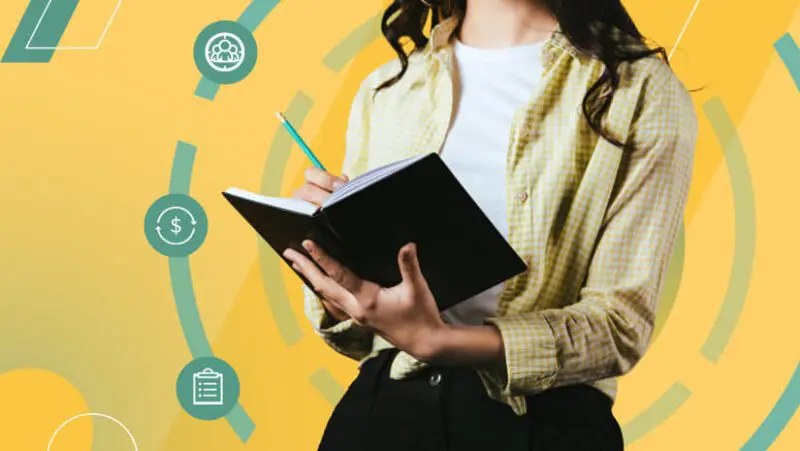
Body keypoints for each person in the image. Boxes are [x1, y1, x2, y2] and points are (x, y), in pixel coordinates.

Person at [282, 0, 698, 449]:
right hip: (382, 415)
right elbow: (359, 329)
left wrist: (439, 340)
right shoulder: (387, 88)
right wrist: (340, 277)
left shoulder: (640, 91)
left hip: (542, 425)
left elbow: (619, 325)